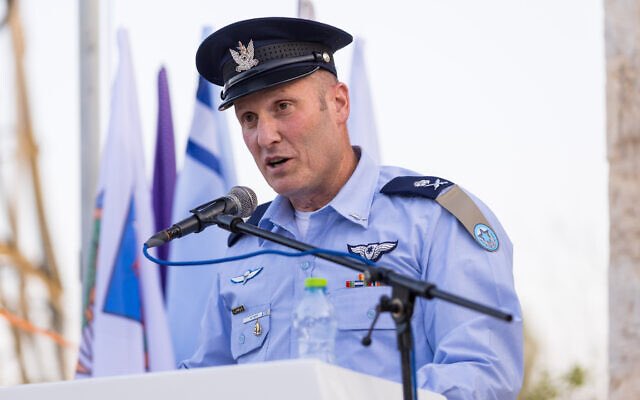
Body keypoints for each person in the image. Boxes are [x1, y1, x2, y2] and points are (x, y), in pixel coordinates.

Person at [180, 17, 523, 399]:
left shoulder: (432, 221)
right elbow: (206, 382)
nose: (265, 136)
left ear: (339, 103)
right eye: (249, 118)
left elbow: (481, 372)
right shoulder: (244, 249)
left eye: (283, 107)